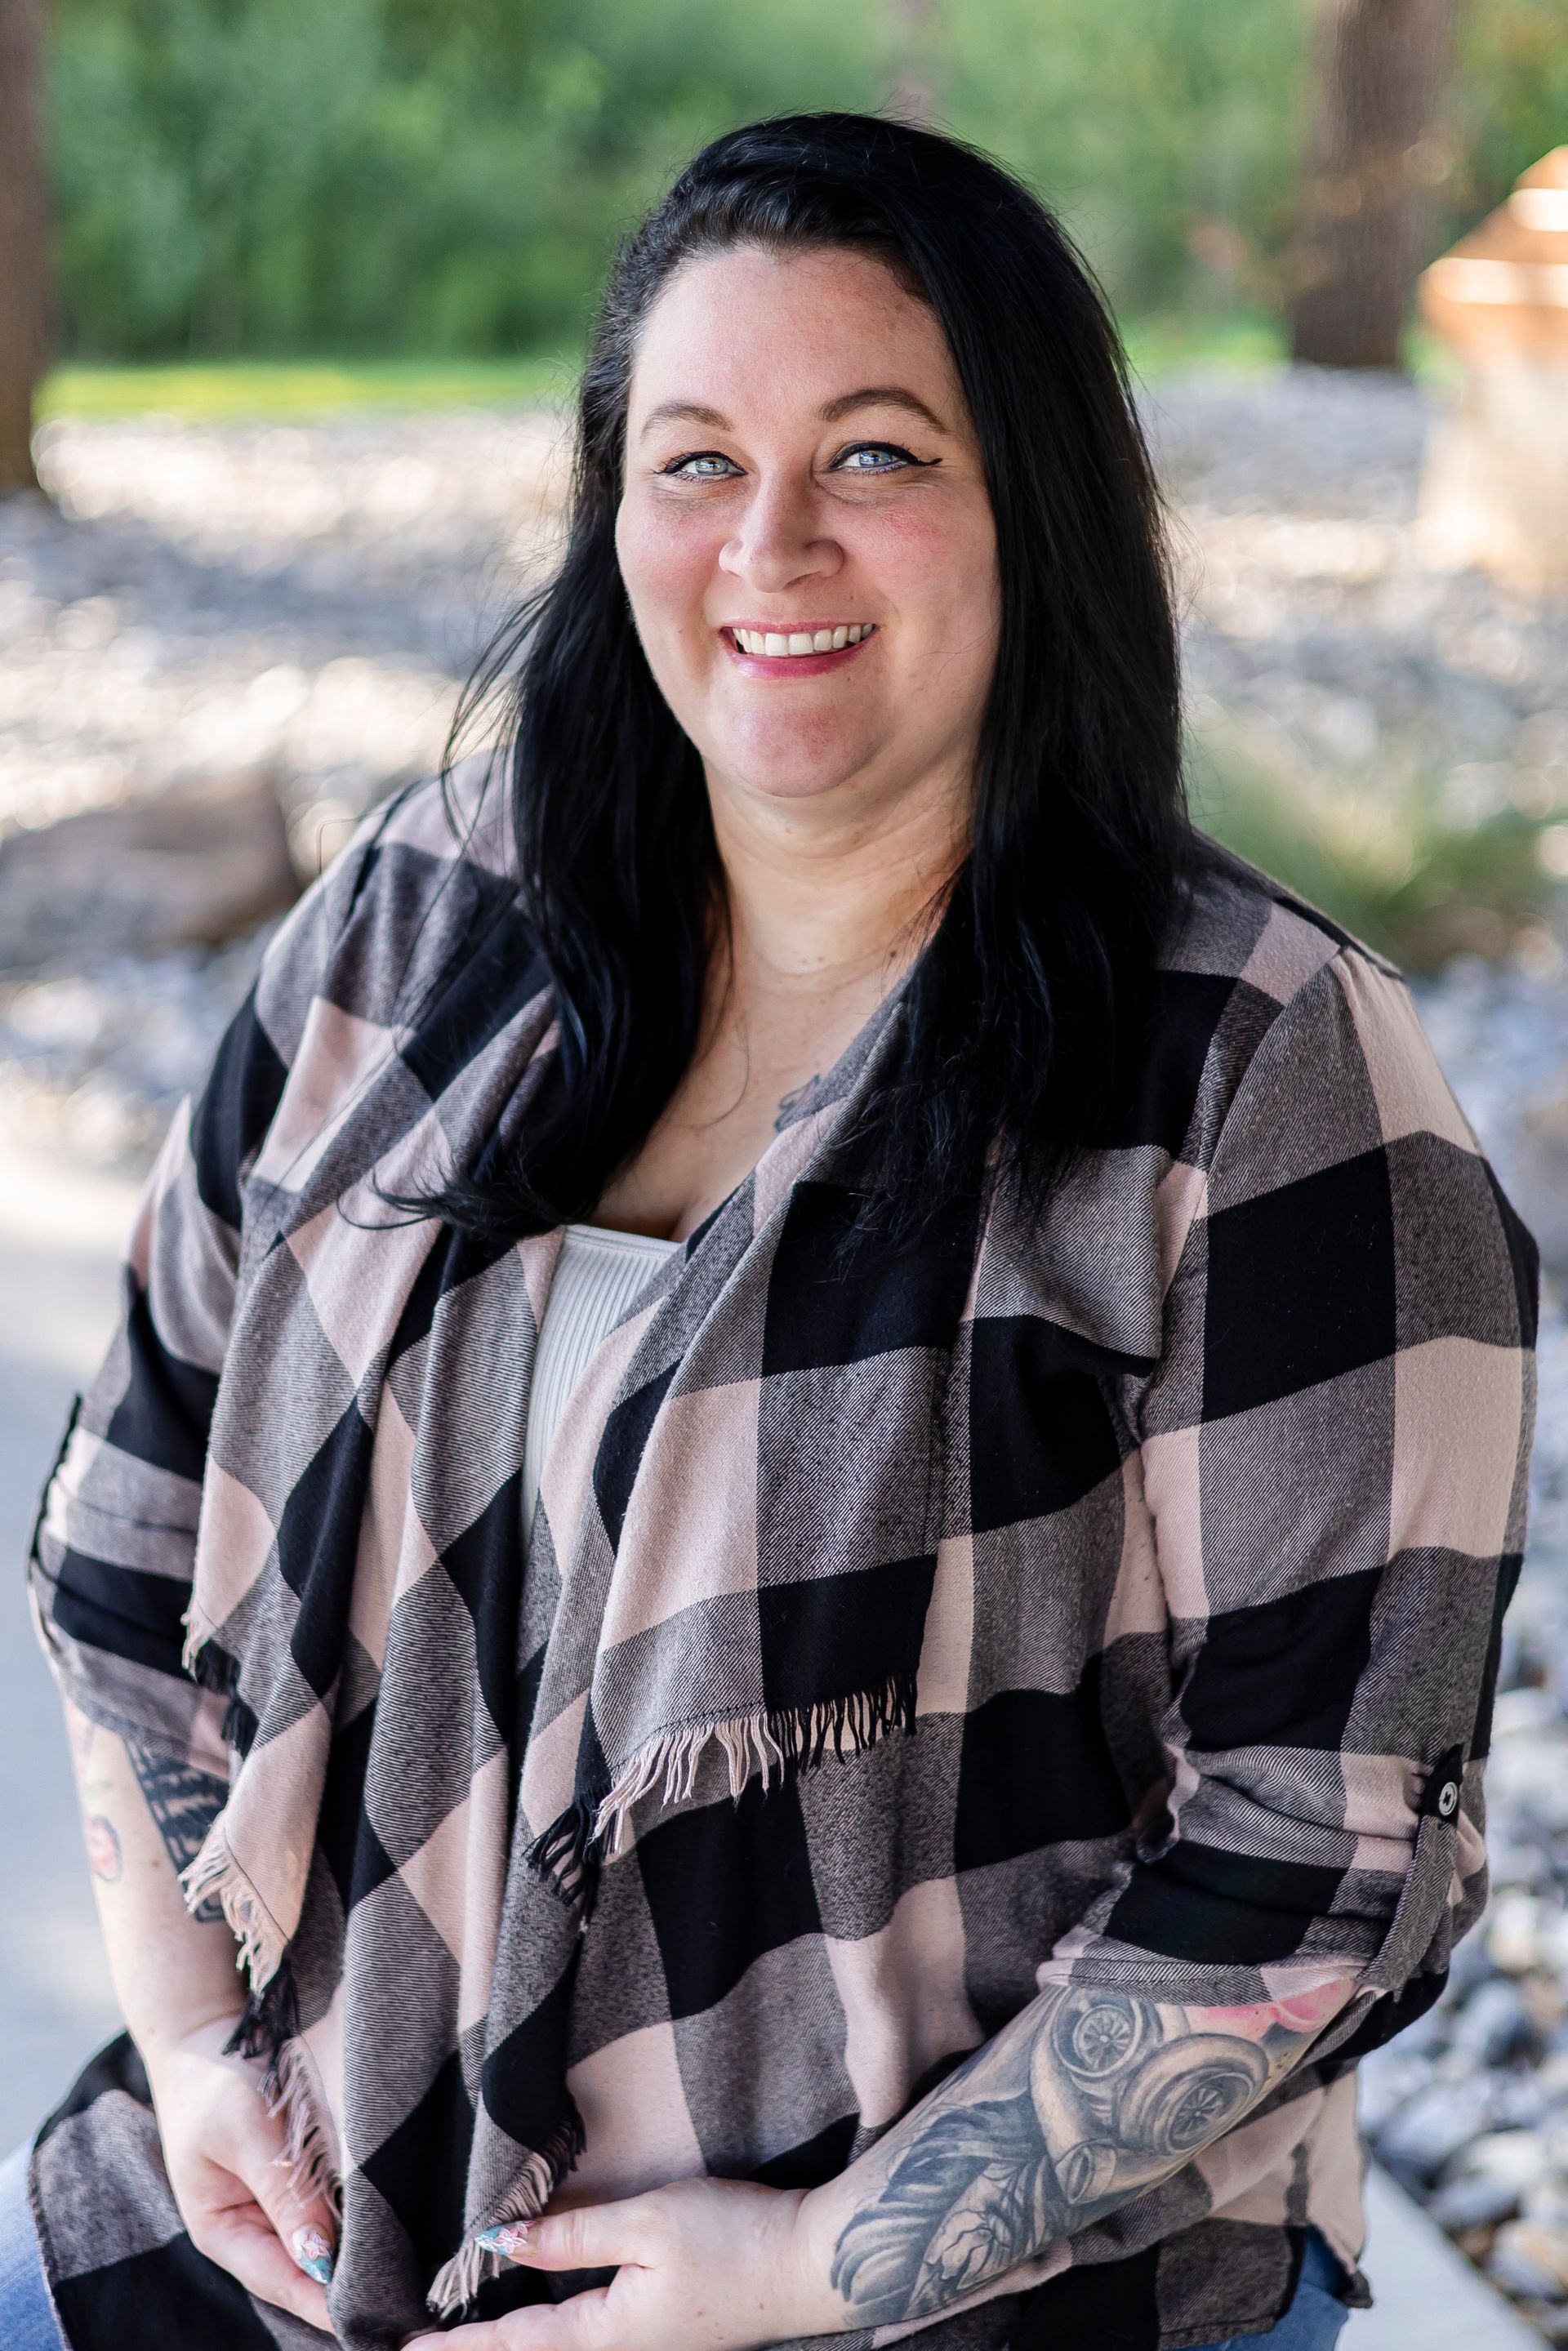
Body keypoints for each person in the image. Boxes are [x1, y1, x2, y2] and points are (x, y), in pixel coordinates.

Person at [14, 110, 1535, 2351]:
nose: (773, 542)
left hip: (976, 2297)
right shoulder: (431, 918)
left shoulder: (1258, 1069)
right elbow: (132, 1516)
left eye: (880, 454)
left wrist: (816, 2263)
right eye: (697, 458)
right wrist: (191, 2041)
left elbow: (1326, 1845)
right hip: (295, 2223)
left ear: (1036, 509)